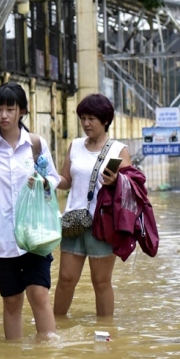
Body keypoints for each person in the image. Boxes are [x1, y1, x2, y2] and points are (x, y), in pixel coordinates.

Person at [0, 82, 60, 340]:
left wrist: (42, 182)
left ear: (22, 111)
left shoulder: (36, 145)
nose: (3, 115)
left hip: (35, 235)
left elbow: (54, 178)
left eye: (10, 109)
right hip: (0, 236)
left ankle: (49, 355)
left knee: (39, 294)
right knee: (12, 301)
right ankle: (13, 356)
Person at [53, 94, 131, 317]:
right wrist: (46, 179)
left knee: (101, 282)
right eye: (83, 118)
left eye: (91, 119)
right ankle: (55, 325)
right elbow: (66, 180)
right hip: (73, 219)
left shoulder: (118, 150)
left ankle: (106, 332)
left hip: (103, 224)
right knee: (66, 280)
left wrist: (117, 181)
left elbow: (131, 188)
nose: (86, 123)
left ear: (105, 120)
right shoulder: (76, 146)